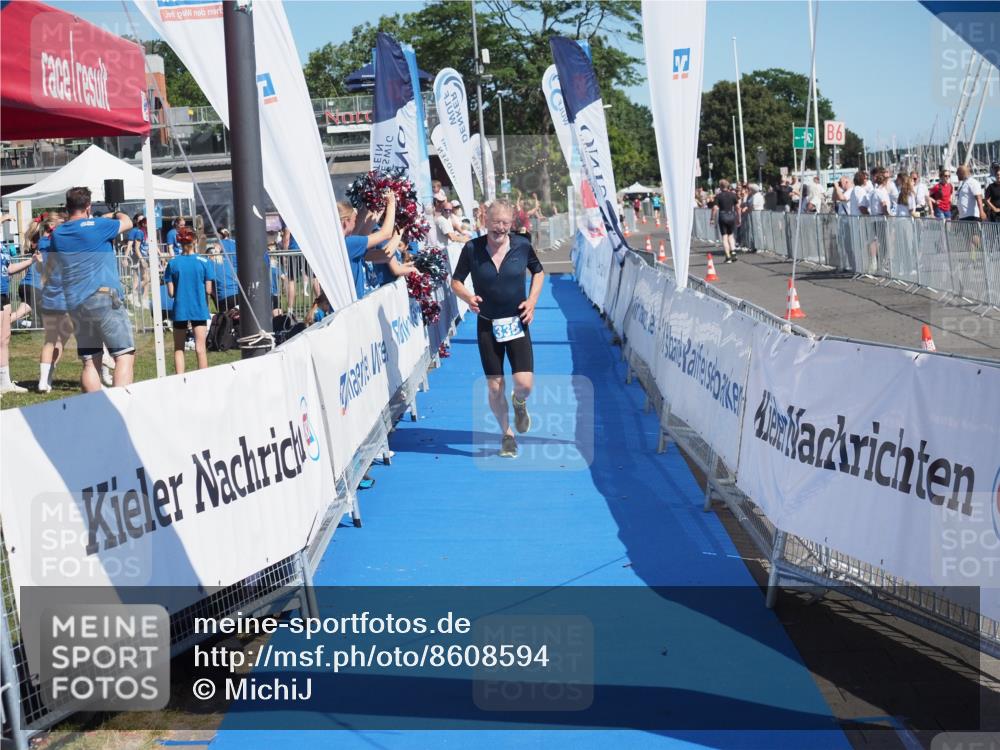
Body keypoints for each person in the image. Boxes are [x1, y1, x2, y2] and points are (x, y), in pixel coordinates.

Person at [450, 200, 544, 458]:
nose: (500, 228)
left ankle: (519, 401)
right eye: (495, 223)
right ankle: (507, 435)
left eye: (505, 223)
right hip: (488, 325)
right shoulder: (472, 248)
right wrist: (468, 298)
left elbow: (538, 272)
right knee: (494, 386)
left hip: (517, 323)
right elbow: (455, 281)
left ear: (511, 223)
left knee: (524, 384)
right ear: (485, 221)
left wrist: (532, 302)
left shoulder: (522, 245)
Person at [46, 186, 134, 392]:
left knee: (90, 360)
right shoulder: (99, 225)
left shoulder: (58, 234)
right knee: (124, 355)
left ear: (67, 207)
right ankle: (120, 406)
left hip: (76, 302)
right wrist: (116, 212)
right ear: (88, 206)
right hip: (103, 297)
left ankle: (93, 410)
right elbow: (127, 222)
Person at [1, 215, 42, 394]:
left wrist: (31, 261)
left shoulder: (2, 247)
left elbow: (9, 270)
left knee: (4, 339)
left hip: (3, 294)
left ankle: (4, 381)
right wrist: (3, 217)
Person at [165, 228, 213, 374]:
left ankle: (180, 380)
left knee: (179, 348)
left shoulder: (172, 263)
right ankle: (203, 380)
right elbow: (209, 290)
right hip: (199, 308)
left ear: (179, 242)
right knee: (200, 348)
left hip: (180, 309)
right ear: (195, 241)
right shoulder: (205, 261)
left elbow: (171, 293)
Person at [35, 213, 72, 393]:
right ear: (53, 225)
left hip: (49, 294)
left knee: (50, 340)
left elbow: (39, 268)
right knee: (62, 339)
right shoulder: (61, 242)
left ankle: (44, 380)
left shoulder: (43, 243)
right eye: (62, 223)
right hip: (63, 294)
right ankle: (47, 377)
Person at [339, 190, 398, 299]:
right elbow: (386, 233)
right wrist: (391, 204)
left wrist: (373, 204)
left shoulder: (342, 242)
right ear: (346, 222)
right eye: (354, 220)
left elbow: (364, 231)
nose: (356, 223)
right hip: (351, 305)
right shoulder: (348, 243)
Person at [710, 179, 740, 263]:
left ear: (720, 186)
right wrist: (739, 217)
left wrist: (712, 218)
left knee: (724, 236)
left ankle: (728, 256)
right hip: (731, 215)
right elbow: (737, 207)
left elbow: (715, 208)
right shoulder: (733, 195)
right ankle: (733, 251)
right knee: (731, 235)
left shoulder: (718, 196)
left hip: (723, 215)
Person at [127, 212, 150, 305]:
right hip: (138, 257)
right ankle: (134, 296)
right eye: (140, 220)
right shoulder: (137, 231)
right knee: (138, 278)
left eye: (143, 219)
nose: (141, 221)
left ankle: (143, 298)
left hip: (144, 257)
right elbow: (133, 246)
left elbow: (147, 245)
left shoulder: (146, 232)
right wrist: (125, 257)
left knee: (146, 278)